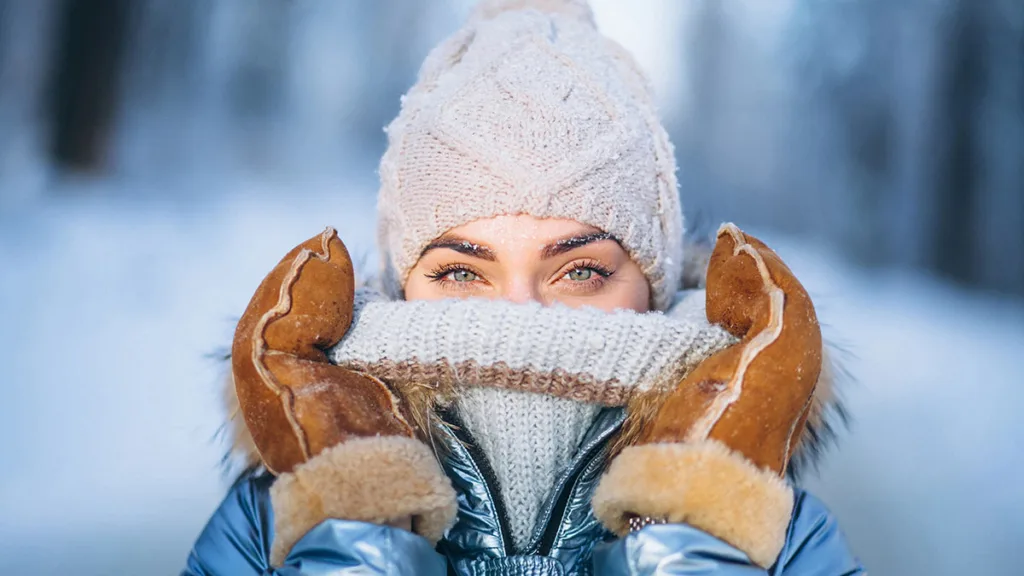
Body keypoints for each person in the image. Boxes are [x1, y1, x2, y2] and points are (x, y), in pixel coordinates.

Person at [183, 1, 864, 574]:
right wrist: (351, 531)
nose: (518, 317)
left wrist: (699, 531)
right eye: (460, 272)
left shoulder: (774, 534)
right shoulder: (273, 521)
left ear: (653, 288)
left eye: (580, 272)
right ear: (401, 282)